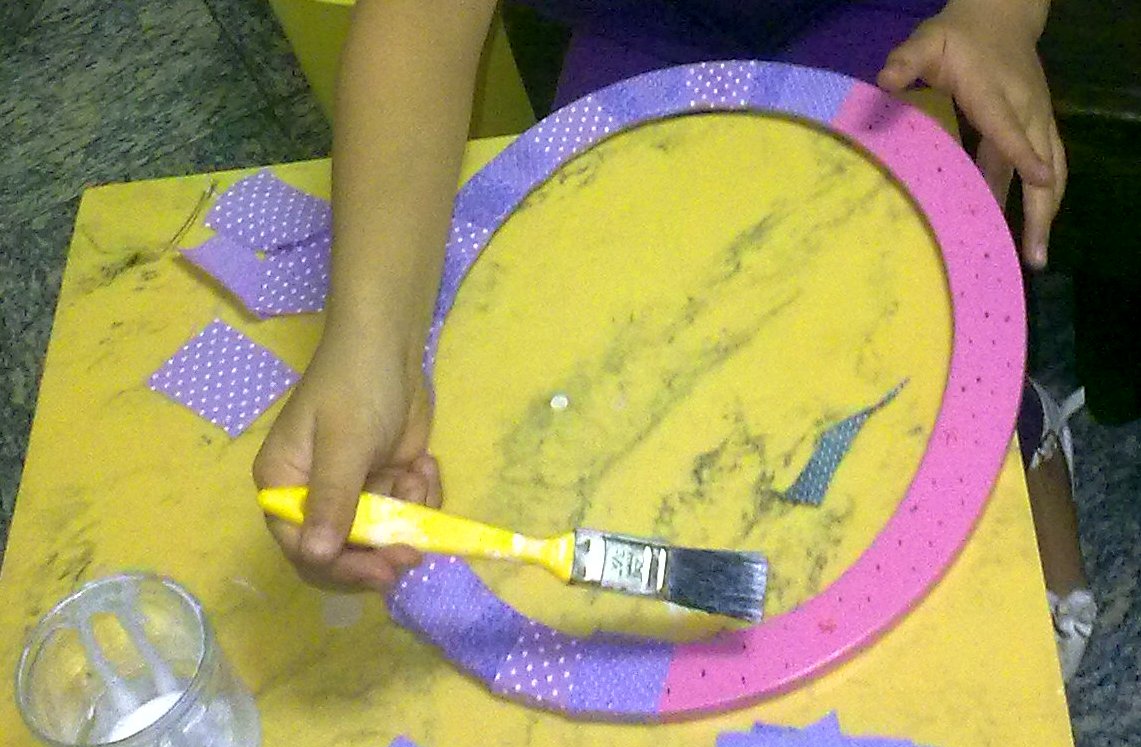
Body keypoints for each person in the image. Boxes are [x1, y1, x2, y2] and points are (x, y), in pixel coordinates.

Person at [254, 0, 1094, 674]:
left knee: (911, 339)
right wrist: (370, 346)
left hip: (894, 24)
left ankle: (1024, 432)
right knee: (642, 389)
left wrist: (1002, 16)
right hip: (644, 32)